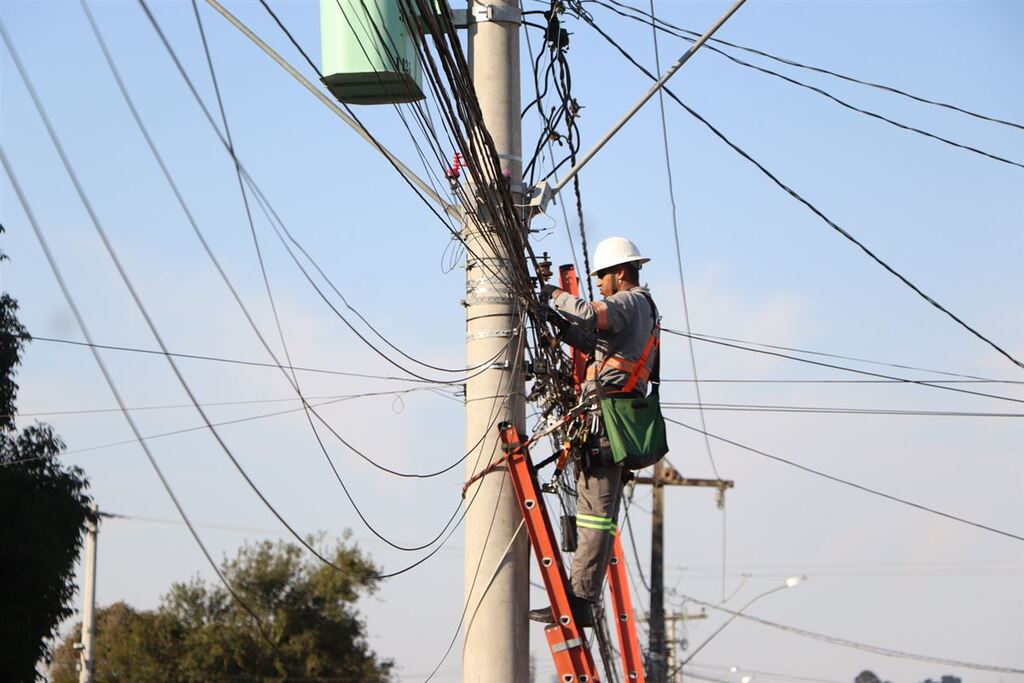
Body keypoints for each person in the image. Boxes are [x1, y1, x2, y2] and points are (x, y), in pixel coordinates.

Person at [529, 237, 658, 628]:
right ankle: (578, 595)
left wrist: (553, 295)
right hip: (606, 419)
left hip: (609, 419)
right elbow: (595, 340)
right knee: (591, 516)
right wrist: (558, 326)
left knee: (596, 518)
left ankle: (581, 600)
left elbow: (589, 312)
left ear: (621, 273)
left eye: (601, 276)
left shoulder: (630, 301)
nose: (599, 283)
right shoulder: (637, 311)